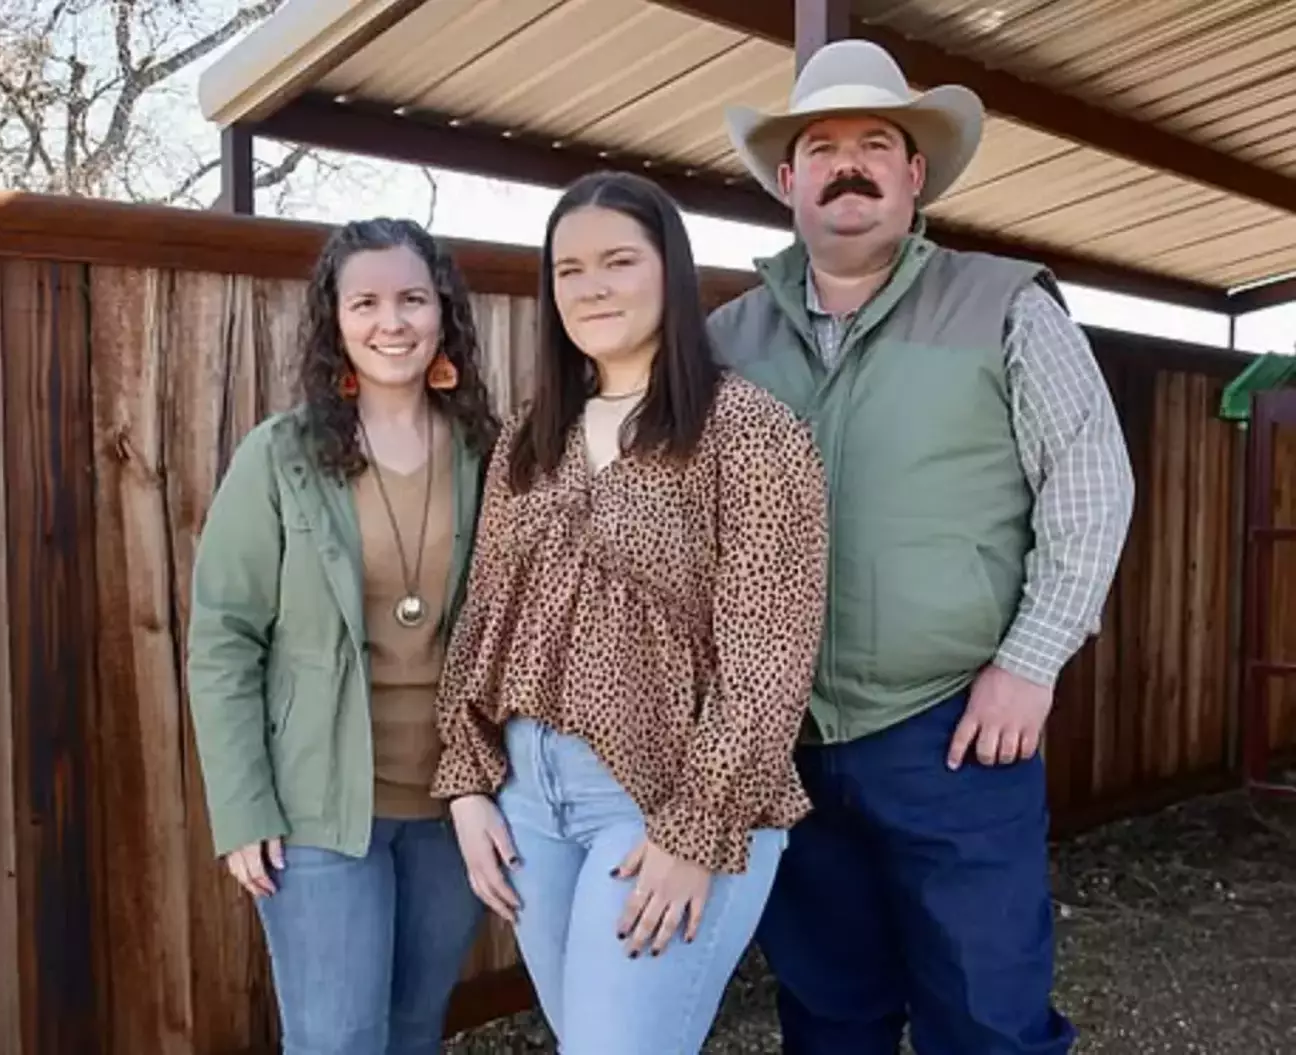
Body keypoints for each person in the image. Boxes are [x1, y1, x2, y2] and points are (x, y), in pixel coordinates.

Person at [707, 39, 1136, 1055]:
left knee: (987, 1019)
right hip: (789, 742)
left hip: (955, 733)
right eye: (822, 146)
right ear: (788, 181)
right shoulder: (725, 340)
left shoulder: (1006, 306)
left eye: (875, 143)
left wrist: (1030, 666)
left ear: (914, 173)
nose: (847, 163)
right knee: (828, 1018)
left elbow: (1092, 487)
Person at [429, 170, 829, 1054]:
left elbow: (768, 656)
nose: (592, 286)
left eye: (617, 260)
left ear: (671, 273)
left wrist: (696, 827)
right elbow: (485, 612)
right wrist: (467, 779)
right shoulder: (535, 434)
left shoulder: (748, 431)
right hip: (530, 798)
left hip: (662, 798)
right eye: (569, 270)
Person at [185, 217, 501, 1055]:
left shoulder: (488, 453)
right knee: (337, 1040)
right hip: (319, 810)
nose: (390, 322)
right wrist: (242, 804)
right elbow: (224, 638)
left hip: (453, 807)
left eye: (411, 299)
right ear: (333, 318)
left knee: (413, 1029)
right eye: (365, 301)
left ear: (444, 314)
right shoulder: (281, 455)